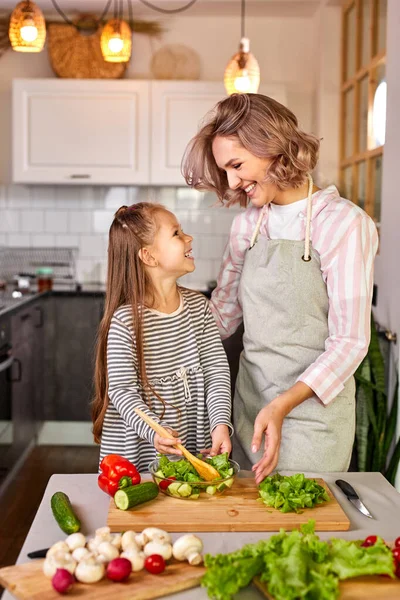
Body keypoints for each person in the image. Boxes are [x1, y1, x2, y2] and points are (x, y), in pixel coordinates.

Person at [182, 93, 378, 484]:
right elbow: (221, 315)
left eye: (237, 165)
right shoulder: (247, 224)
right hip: (249, 412)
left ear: (271, 147)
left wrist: (283, 405)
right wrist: (159, 326)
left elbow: (350, 343)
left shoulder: (343, 224)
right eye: (226, 171)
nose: (233, 182)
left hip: (312, 421)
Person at [92, 202, 233, 471]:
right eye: (177, 234)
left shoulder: (199, 308)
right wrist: (154, 431)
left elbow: (216, 371)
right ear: (149, 256)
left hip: (191, 436)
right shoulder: (126, 322)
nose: (188, 238)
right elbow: (123, 391)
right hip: (140, 448)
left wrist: (220, 423)